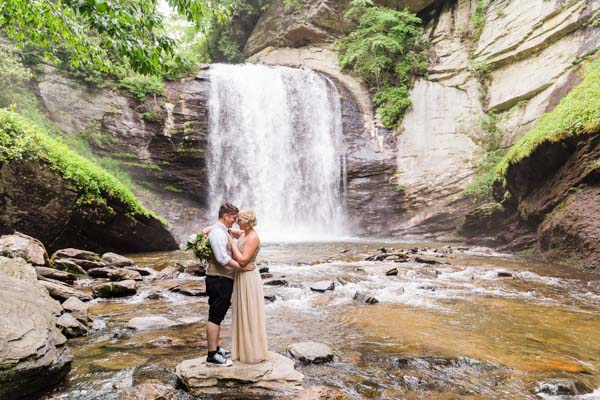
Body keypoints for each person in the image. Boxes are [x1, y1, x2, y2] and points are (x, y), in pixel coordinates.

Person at [203, 203, 255, 367]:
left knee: (219, 315)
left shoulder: (222, 230)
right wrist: (242, 267)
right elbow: (222, 258)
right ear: (226, 216)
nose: (235, 221)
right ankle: (212, 355)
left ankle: (216, 348)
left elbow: (242, 233)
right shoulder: (218, 233)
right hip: (218, 279)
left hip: (222, 279)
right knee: (215, 316)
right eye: (233, 217)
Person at [227, 209, 269, 363]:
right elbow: (230, 231)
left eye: (240, 220)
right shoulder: (244, 233)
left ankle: (252, 351)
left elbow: (243, 261)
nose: (237, 222)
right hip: (241, 275)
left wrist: (232, 244)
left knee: (249, 311)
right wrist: (215, 228)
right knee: (242, 310)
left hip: (248, 276)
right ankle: (242, 349)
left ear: (247, 222)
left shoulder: (252, 237)